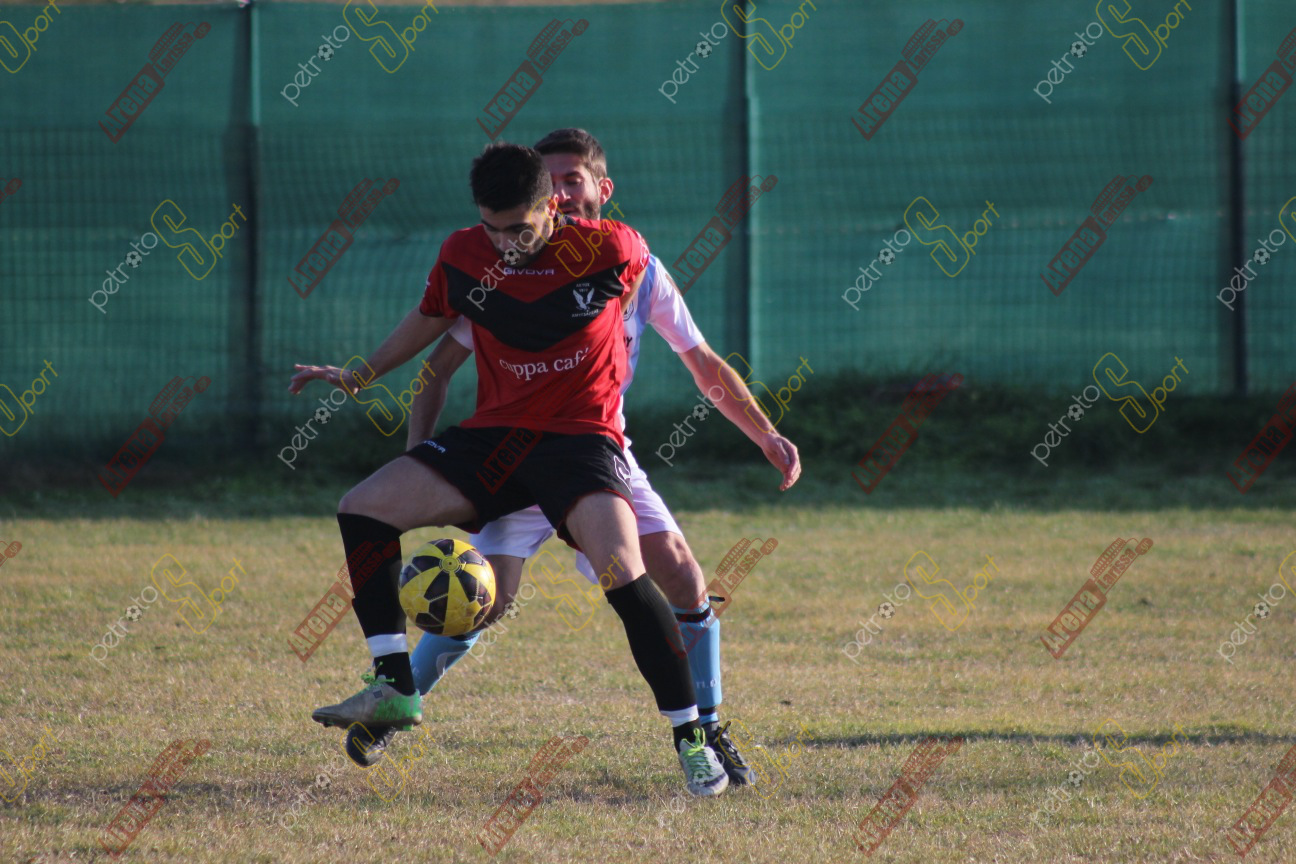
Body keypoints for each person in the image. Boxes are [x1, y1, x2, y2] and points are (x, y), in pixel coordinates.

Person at [346, 128, 801, 788]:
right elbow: (436, 365)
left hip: (594, 447)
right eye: (550, 179)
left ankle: (706, 730)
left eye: (571, 179)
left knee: (678, 574)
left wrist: (764, 433)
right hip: (508, 452)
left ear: (597, 190)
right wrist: (422, 458)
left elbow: (703, 362)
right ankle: (396, 702)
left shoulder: (632, 265)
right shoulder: (499, 268)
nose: (561, 190)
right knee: (486, 597)